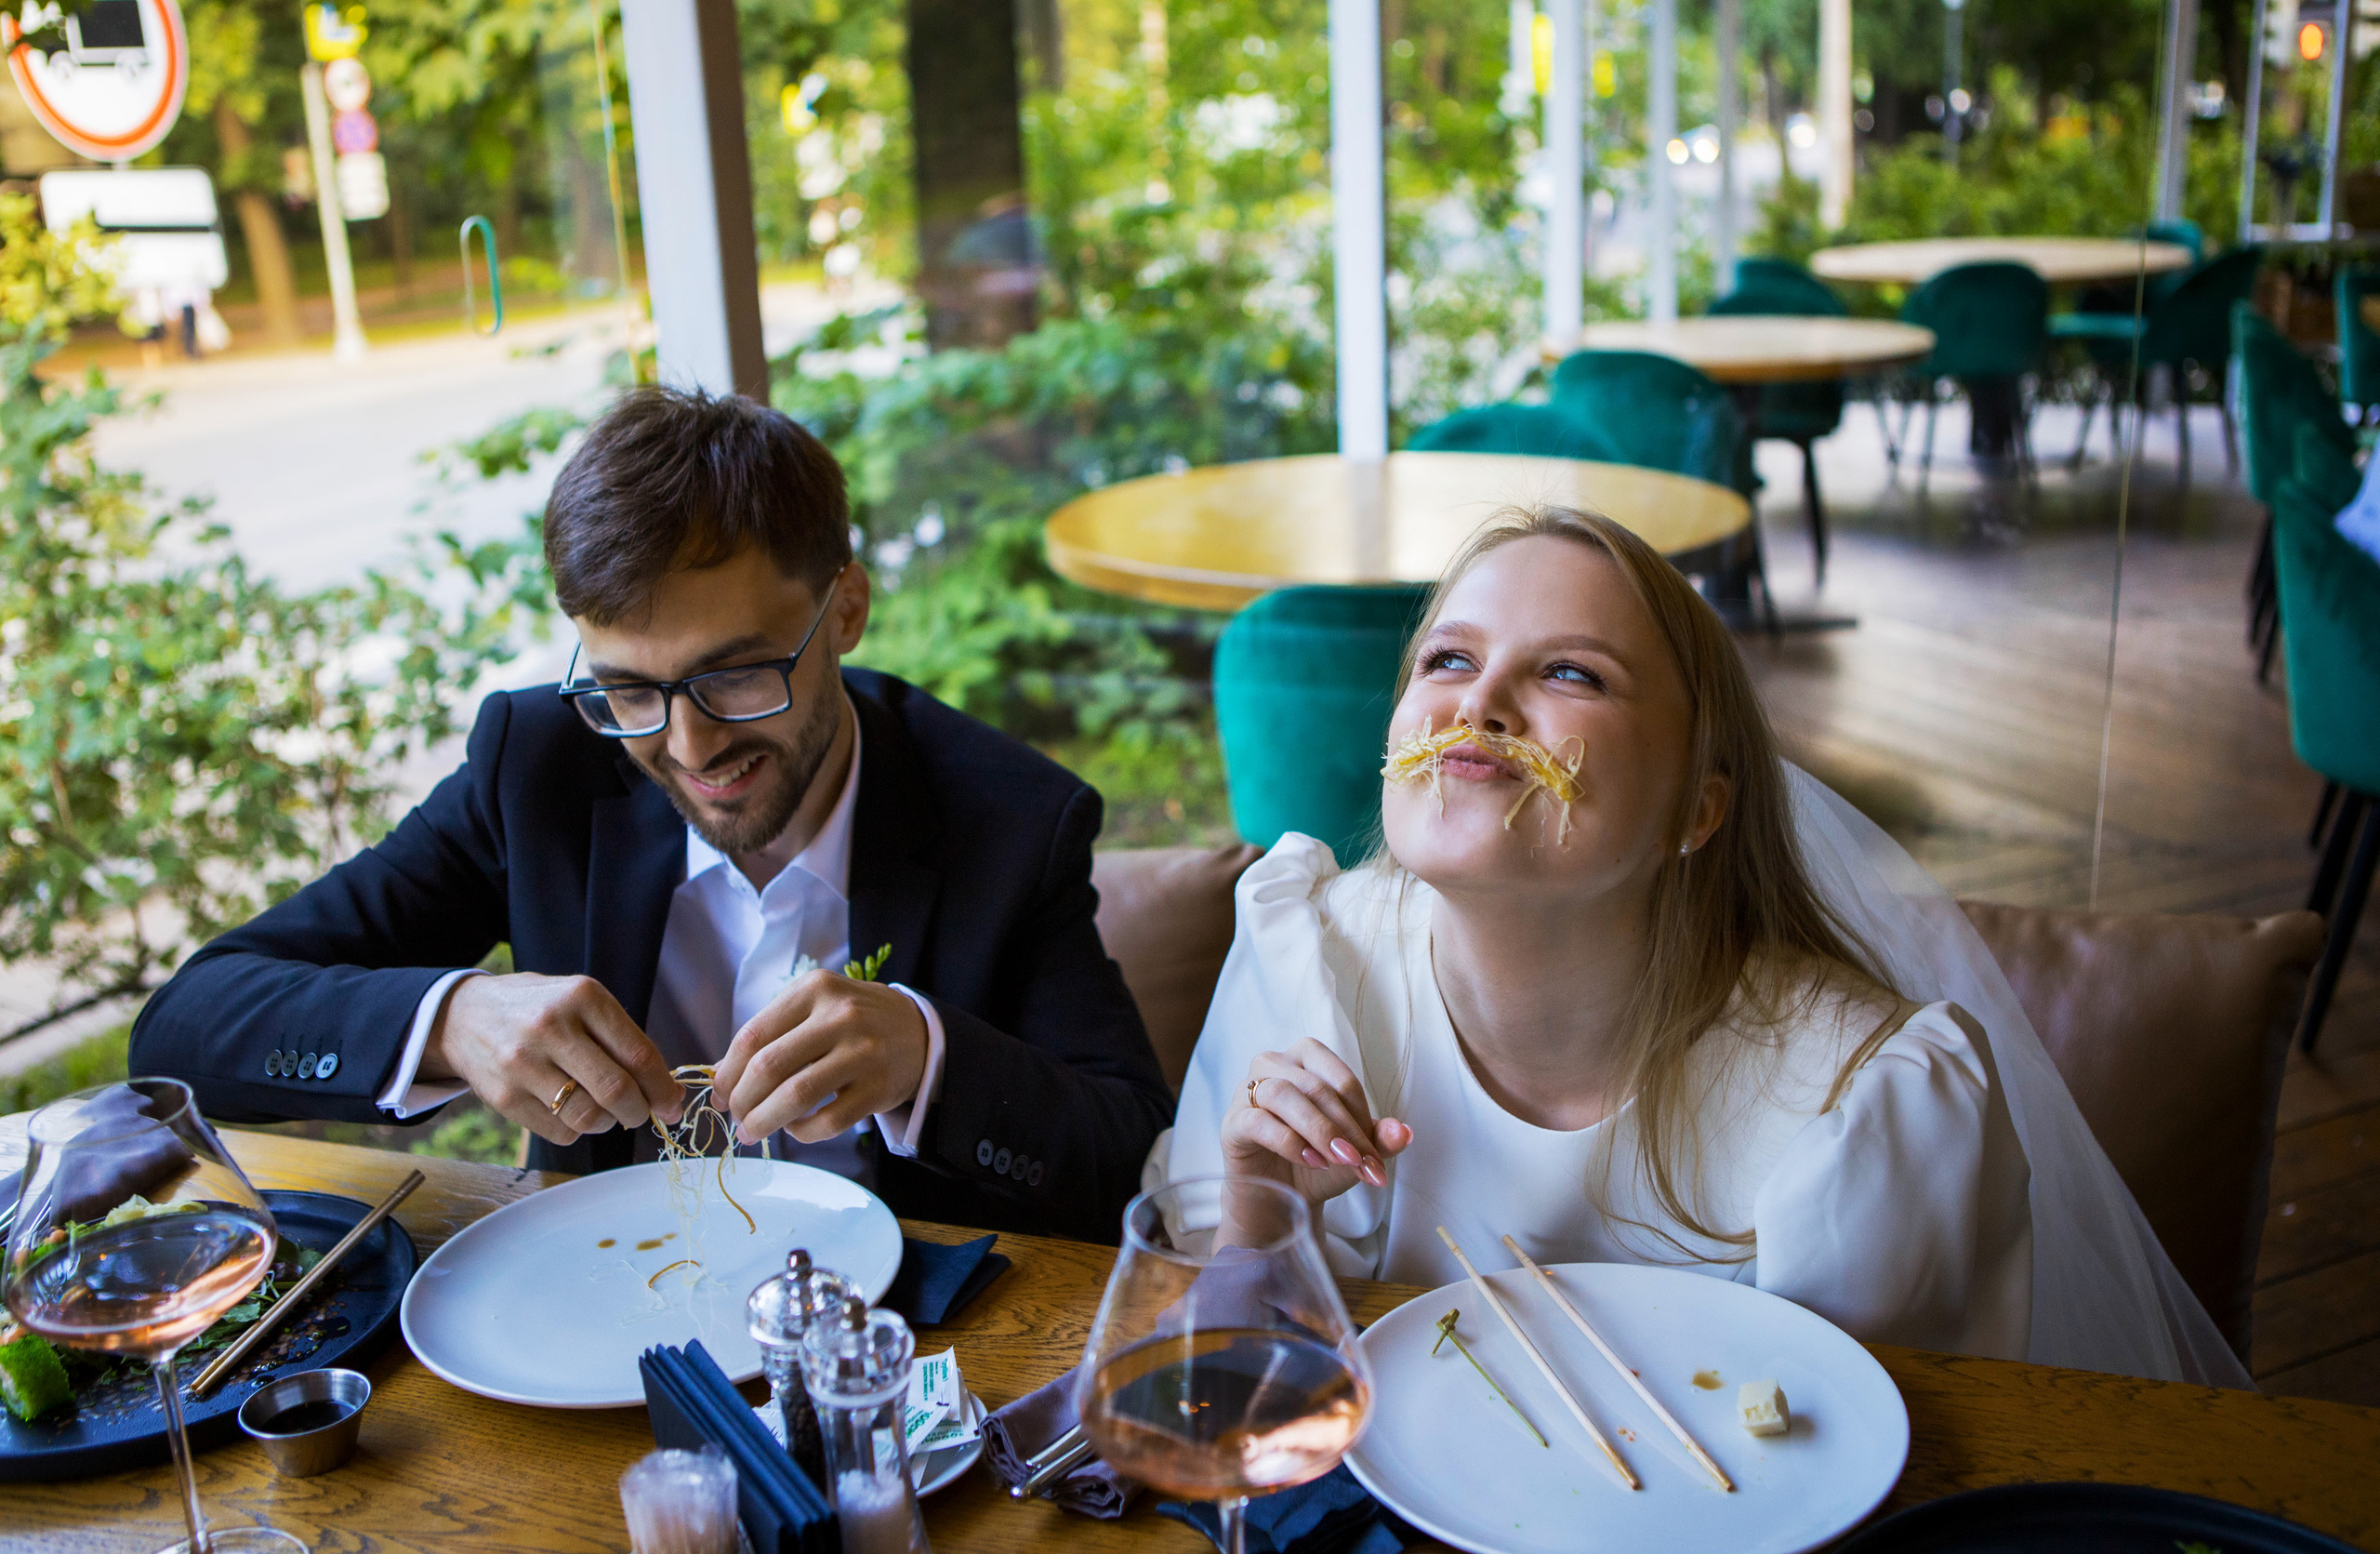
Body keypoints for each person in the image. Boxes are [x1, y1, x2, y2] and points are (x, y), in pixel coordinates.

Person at [1157, 505, 2248, 1387]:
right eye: (1447, 657)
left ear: (1697, 812)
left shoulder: (1866, 1106)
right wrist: (1260, 1214)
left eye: (1570, 674)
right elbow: (1224, 1388)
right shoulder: (1310, 954)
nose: (1478, 701)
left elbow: (1866, 1469)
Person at [132, 387, 1170, 1242]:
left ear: (844, 610)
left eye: (737, 675)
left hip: (897, 1346)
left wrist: (928, 1056)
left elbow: (1133, 1156)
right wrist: (447, 1020)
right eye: (630, 690)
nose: (688, 746)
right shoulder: (536, 770)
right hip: (596, 1302)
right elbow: (183, 1031)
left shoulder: (1010, 818)